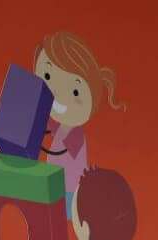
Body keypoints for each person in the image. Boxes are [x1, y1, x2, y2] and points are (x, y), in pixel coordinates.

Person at [33, 31, 125, 219]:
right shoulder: (59, 127)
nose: (57, 92)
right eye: (48, 76)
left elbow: (56, 155)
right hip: (53, 188)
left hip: (67, 197)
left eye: (75, 91)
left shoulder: (76, 136)